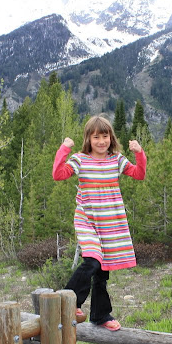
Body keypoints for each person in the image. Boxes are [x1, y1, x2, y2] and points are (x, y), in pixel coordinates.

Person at [52, 115, 147, 331]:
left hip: (110, 221)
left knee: (103, 272)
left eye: (105, 136)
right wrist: (64, 149)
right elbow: (58, 175)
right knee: (93, 261)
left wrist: (139, 153)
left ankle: (100, 315)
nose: (101, 141)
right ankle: (68, 301)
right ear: (88, 139)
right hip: (87, 219)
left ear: (111, 138)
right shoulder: (80, 159)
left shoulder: (116, 160)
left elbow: (139, 174)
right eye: (96, 137)